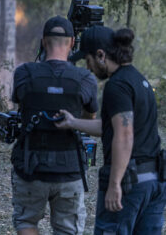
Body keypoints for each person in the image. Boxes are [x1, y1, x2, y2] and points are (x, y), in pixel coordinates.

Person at [56, 26, 166, 234]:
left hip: (129, 184)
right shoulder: (139, 81)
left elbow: (124, 135)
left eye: (88, 61)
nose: (88, 68)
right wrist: (72, 122)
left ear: (100, 55)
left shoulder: (117, 86)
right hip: (154, 182)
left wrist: (115, 184)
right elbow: (113, 126)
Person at [10, 16, 98, 235]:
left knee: (26, 221)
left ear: (43, 42)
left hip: (31, 166)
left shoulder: (24, 73)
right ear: (71, 43)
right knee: (68, 230)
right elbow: (89, 120)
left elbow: (20, 105)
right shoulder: (85, 78)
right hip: (69, 169)